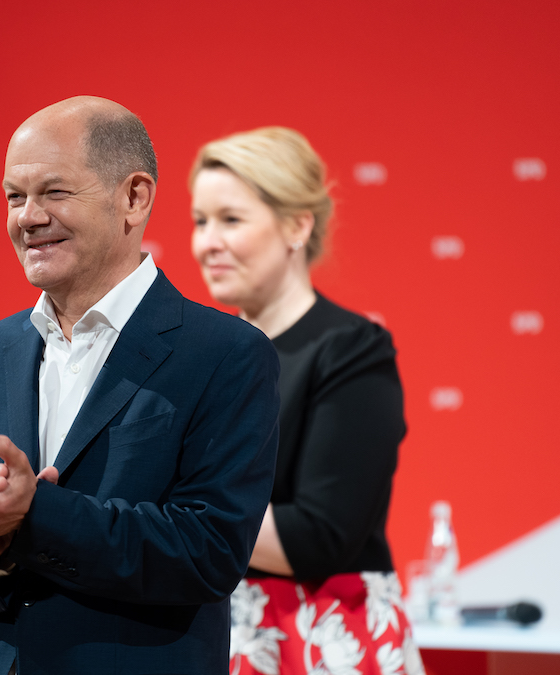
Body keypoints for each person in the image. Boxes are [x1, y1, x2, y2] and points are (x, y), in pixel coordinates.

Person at [0, 97, 280, 675]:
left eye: (54, 192)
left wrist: (33, 516)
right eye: (14, 197)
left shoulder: (227, 353)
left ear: (134, 197)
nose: (27, 217)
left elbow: (210, 551)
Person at [189, 127, 424, 675]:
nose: (207, 242)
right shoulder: (202, 360)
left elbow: (321, 536)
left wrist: (173, 519)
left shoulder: (351, 350)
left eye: (231, 219)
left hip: (325, 641)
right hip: (214, 637)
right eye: (200, 221)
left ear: (297, 225)